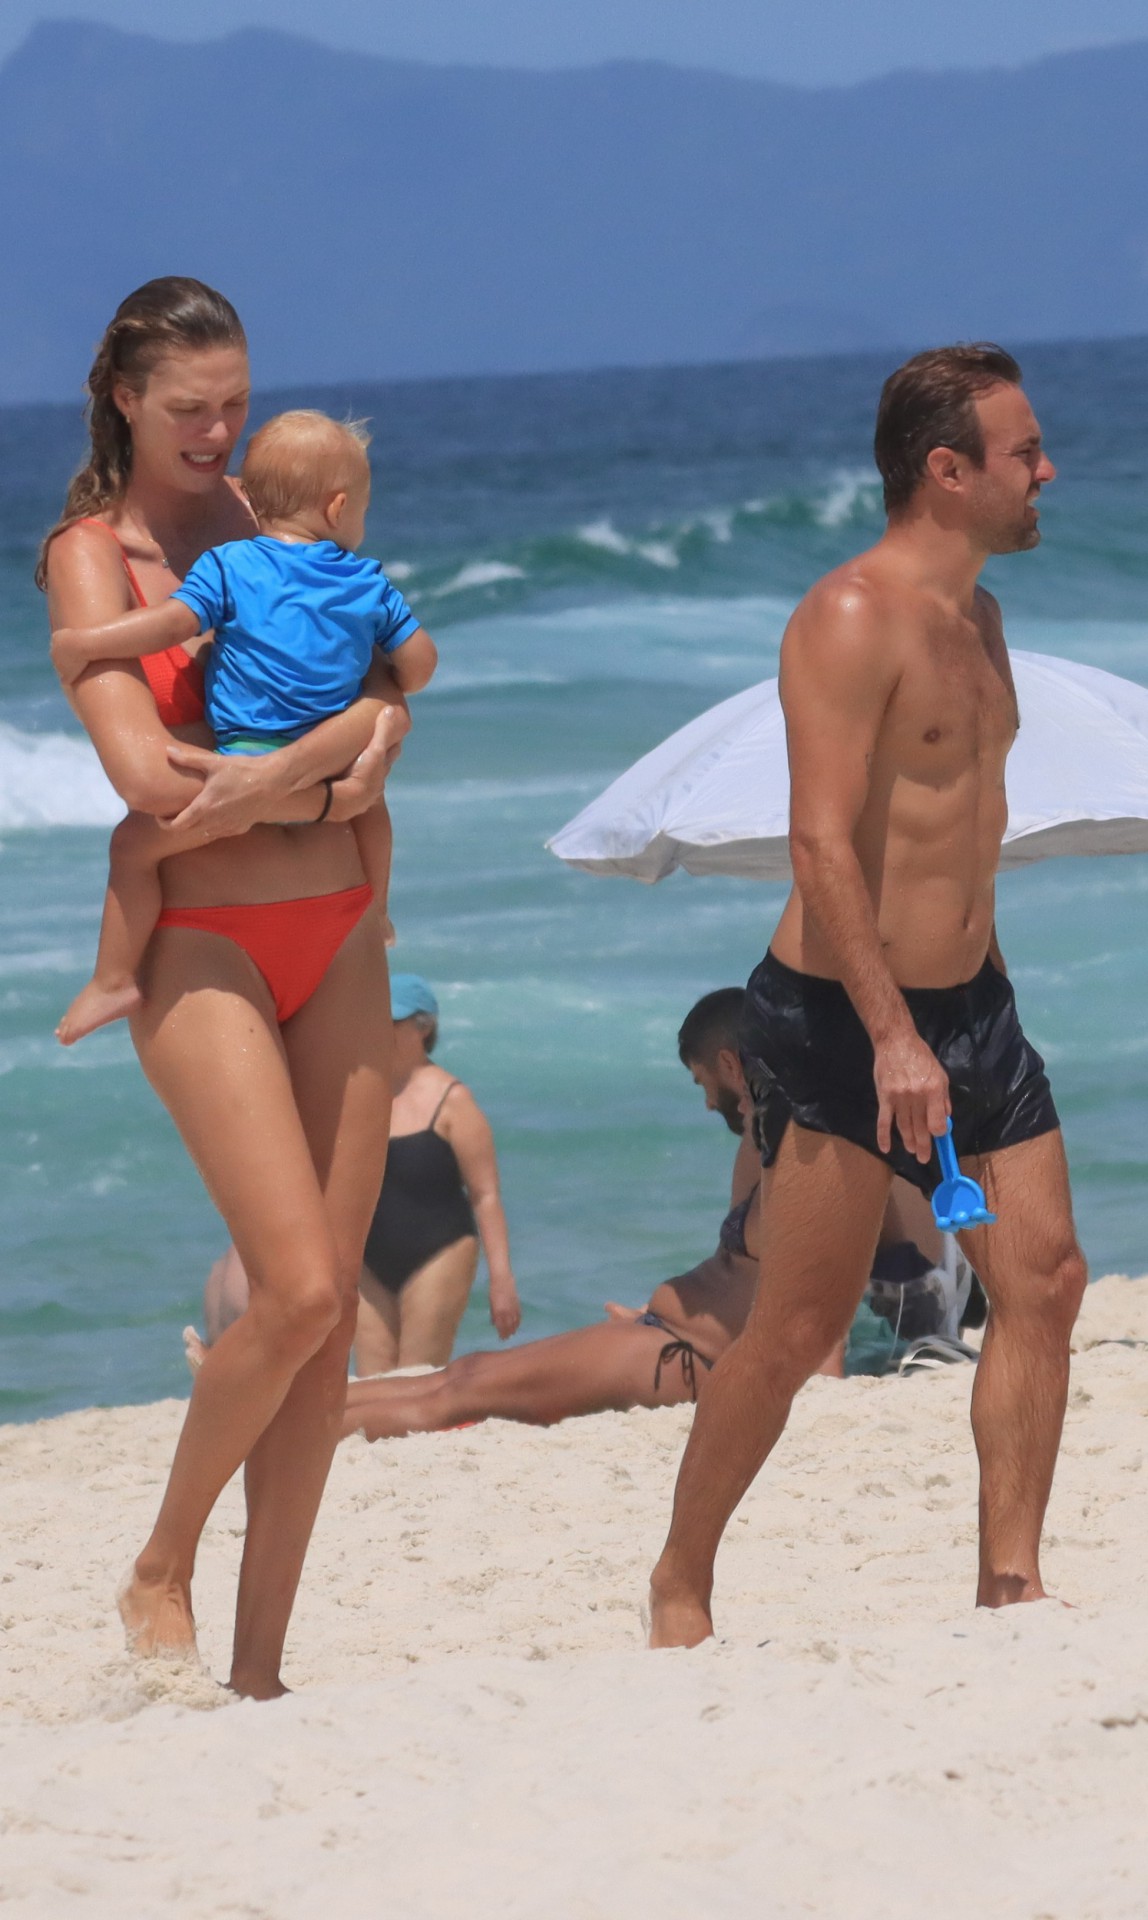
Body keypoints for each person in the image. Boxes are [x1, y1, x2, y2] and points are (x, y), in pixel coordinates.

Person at [648, 344, 1089, 1651]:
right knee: (794, 1329)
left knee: (1049, 1280)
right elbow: (822, 842)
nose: (1046, 471)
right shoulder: (847, 617)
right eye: (1023, 452)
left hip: (973, 1010)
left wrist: (977, 1006)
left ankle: (1008, 1581)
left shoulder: (985, 622)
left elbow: (964, 834)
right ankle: (682, 1576)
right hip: (845, 1017)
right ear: (947, 473)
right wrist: (895, 1035)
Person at [42, 275, 412, 1699]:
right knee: (299, 1283)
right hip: (202, 949)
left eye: (234, 406)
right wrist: (322, 769)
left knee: (323, 1332)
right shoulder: (100, 557)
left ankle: (260, 1673)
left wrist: (326, 752)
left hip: (347, 936)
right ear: (126, 398)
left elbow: (393, 691)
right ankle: (161, 1561)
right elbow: (146, 782)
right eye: (188, 409)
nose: (215, 433)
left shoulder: (283, 524)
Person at [334, 987, 965, 1440]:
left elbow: (825, 1290)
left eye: (701, 1083)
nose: (706, 1102)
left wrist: (820, 1400)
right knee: (464, 1373)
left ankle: (299, 1431)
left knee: (463, 1389)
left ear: (728, 1066)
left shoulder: (822, 1151)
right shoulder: (771, 1141)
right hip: (663, 1331)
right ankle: (300, 1416)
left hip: (686, 1358)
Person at [51, 409, 437, 1045]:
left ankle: (113, 977)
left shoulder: (230, 564)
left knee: (133, 848)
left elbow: (169, 625)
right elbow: (417, 670)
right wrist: (389, 662)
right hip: (334, 764)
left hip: (243, 756)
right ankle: (383, 907)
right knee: (371, 807)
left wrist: (86, 642)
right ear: (339, 508)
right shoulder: (366, 582)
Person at [197, 973, 523, 1369]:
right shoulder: (357, 1094)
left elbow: (485, 1195)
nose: (375, 1031)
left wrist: (501, 1279)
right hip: (369, 1260)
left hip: (440, 1251)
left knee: (416, 1373)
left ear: (424, 1027)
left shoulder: (453, 1101)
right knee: (374, 1380)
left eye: (390, 1022)